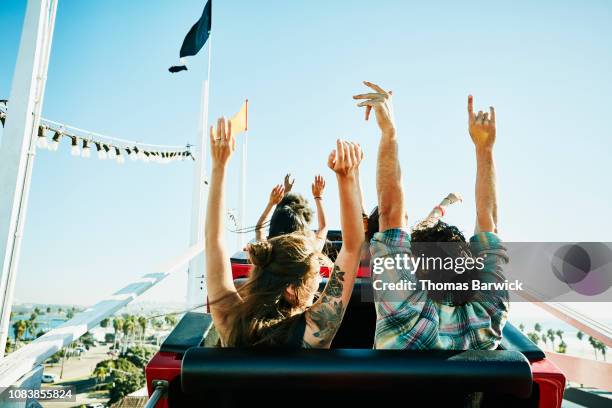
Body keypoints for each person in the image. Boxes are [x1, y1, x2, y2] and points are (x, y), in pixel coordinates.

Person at [354, 82, 509, 350]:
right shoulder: (488, 317)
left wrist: (389, 132)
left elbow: (391, 214)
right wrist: (485, 149)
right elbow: (490, 224)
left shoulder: (403, 313)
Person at [205, 116, 364, 347]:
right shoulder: (313, 330)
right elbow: (353, 247)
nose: (318, 283)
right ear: (291, 288)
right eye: (315, 277)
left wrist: (219, 166)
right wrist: (347, 177)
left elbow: (213, 240)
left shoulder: (229, 320)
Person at [254, 175, 328, 252]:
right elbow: (323, 227)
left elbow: (259, 229)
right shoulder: (309, 251)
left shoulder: (266, 252)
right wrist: (318, 197)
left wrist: (271, 203)